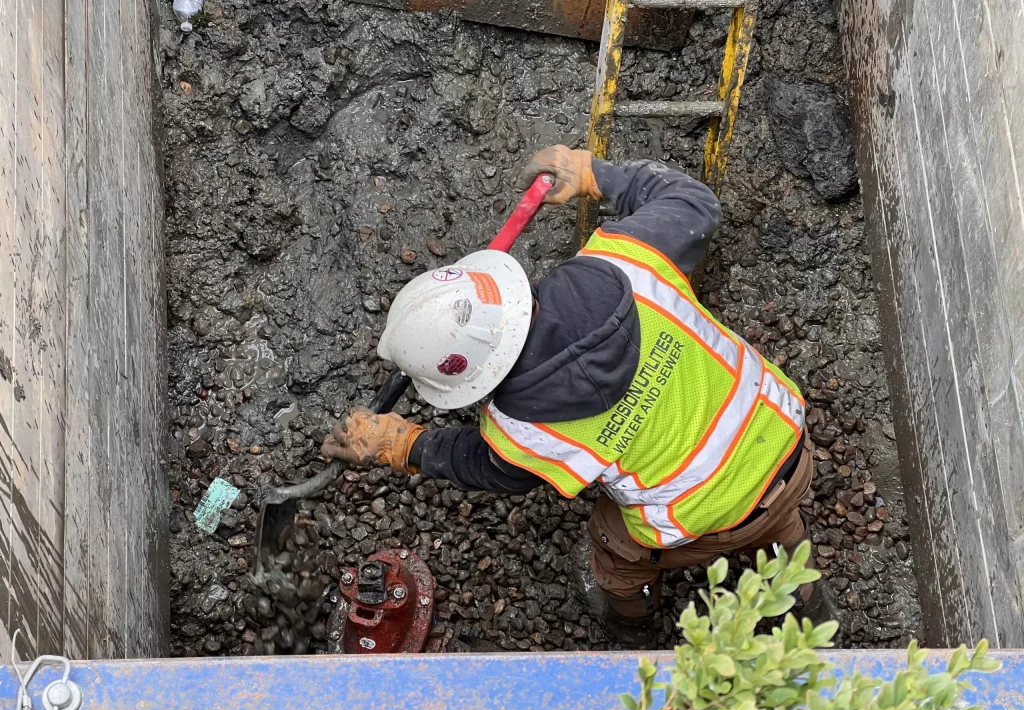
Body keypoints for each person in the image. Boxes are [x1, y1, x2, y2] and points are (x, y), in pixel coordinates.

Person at [321, 145, 838, 642]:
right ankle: (805, 597)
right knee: (777, 522)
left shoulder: (520, 429)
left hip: (703, 516)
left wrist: (404, 445)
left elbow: (489, 467)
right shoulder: (624, 260)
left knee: (614, 550)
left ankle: (631, 623)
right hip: (782, 436)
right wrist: (593, 173)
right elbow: (694, 205)